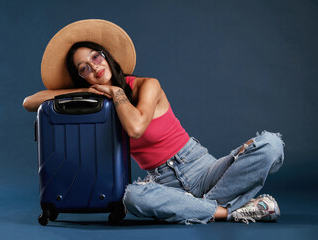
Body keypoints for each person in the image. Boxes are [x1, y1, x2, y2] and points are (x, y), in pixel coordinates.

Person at [23, 19, 284, 225]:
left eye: (95, 56)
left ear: (106, 55)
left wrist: (115, 92)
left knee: (270, 144)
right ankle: (231, 211)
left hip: (202, 168)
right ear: (82, 77)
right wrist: (81, 91)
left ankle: (200, 208)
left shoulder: (147, 85)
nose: (94, 67)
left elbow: (136, 127)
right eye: (83, 68)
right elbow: (30, 102)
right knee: (132, 197)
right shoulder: (96, 101)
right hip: (163, 183)